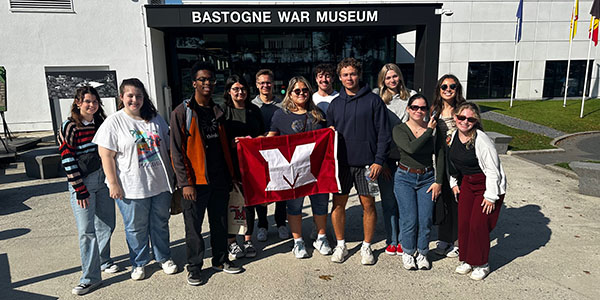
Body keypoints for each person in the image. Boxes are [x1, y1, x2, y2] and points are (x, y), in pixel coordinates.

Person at [94, 78, 177, 281]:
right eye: (130, 95)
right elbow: (106, 155)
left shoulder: (156, 119)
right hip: (131, 186)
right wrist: (112, 183)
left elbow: (169, 147)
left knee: (160, 222)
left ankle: (163, 257)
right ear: (121, 97)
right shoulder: (114, 122)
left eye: (139, 96)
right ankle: (139, 262)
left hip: (159, 183)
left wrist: (175, 177)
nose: (134, 100)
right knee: (135, 227)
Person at [170, 61, 242, 286]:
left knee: (220, 223)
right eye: (203, 79)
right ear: (194, 83)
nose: (208, 83)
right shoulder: (182, 112)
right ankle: (194, 267)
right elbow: (176, 151)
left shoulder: (217, 110)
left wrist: (230, 175)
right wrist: (185, 183)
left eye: (211, 79)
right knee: (193, 228)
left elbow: (222, 147)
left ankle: (220, 260)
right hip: (195, 182)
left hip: (219, 179)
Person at [326, 58, 391, 265]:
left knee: (368, 205)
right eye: (345, 75)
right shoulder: (335, 104)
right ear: (340, 77)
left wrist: (379, 160)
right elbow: (328, 136)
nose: (349, 78)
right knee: (338, 205)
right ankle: (341, 245)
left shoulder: (373, 101)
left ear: (359, 75)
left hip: (367, 165)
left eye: (352, 74)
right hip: (341, 165)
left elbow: (384, 133)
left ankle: (366, 246)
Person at [59, 86, 116, 295]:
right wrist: (79, 189)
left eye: (94, 101)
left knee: (108, 223)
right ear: (77, 102)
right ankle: (90, 278)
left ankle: (103, 260)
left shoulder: (102, 123)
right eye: (87, 101)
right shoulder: (70, 126)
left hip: (104, 180)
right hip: (83, 183)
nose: (91, 105)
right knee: (86, 230)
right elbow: (67, 158)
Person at [266, 76, 332, 258]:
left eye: (305, 90)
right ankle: (298, 242)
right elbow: (271, 137)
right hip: (293, 173)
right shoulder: (281, 115)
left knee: (320, 205)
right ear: (290, 93)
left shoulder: (318, 113)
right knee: (294, 208)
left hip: (317, 170)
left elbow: (327, 139)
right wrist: (250, 142)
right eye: (297, 91)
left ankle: (321, 237)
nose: (301, 93)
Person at [448, 102, 506, 280]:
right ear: (455, 117)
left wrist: (490, 197)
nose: (465, 121)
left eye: (470, 119)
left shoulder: (481, 139)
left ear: (476, 121)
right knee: (464, 223)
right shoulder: (453, 136)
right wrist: (453, 182)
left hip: (486, 185)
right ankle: (466, 259)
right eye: (461, 117)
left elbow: (492, 170)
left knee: (478, 225)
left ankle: (481, 263)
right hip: (467, 183)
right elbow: (453, 162)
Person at [393, 94, 444, 270]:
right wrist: (428, 131)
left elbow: (440, 155)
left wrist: (438, 181)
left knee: (425, 219)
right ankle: (408, 252)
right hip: (404, 177)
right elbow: (411, 149)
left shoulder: (435, 129)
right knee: (409, 219)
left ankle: (422, 252)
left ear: (427, 110)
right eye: (414, 107)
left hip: (427, 178)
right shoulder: (400, 129)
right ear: (408, 109)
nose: (418, 111)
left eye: (422, 108)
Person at [373, 63, 417, 256]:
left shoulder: (412, 96)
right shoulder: (377, 98)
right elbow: (374, 132)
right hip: (386, 158)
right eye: (388, 77)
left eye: (395, 76)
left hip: (407, 157)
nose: (392, 80)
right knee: (389, 200)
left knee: (405, 201)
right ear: (383, 80)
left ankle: (405, 239)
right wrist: (380, 161)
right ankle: (392, 239)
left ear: (400, 77)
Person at [221, 75, 265, 259]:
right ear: (229, 91)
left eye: (243, 89)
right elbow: (218, 139)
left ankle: (247, 239)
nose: (240, 92)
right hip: (229, 165)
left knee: (250, 203)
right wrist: (231, 142)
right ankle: (232, 242)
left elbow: (263, 135)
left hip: (251, 165)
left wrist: (252, 142)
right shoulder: (222, 111)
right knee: (231, 204)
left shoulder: (254, 110)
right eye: (236, 89)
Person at [430, 74, 467, 259]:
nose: (448, 90)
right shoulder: (434, 111)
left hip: (460, 161)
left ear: (457, 88)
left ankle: (458, 241)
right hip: (440, 160)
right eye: (444, 87)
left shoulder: (463, 109)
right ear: (439, 89)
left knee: (458, 200)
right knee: (443, 200)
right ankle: (444, 238)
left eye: (452, 86)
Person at [250, 68, 288, 241]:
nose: (265, 85)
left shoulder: (282, 105)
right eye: (262, 83)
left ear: (273, 84)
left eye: (268, 82)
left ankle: (281, 223)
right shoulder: (251, 106)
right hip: (258, 156)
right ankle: (263, 225)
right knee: (261, 190)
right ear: (257, 85)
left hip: (279, 154)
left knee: (281, 189)